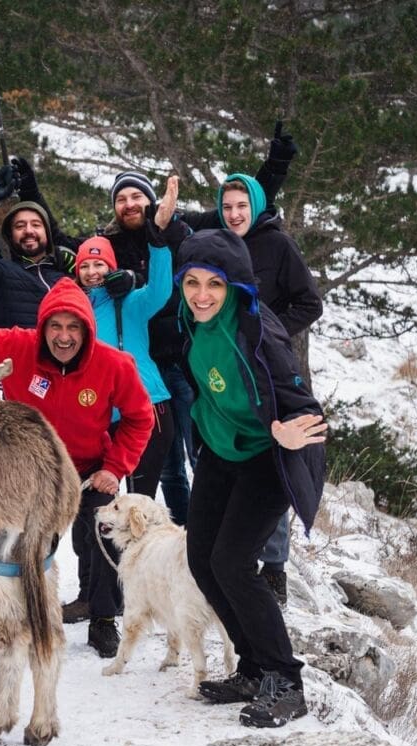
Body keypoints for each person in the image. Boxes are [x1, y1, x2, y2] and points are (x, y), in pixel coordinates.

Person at [0, 268, 153, 658]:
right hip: (31, 471)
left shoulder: (114, 364)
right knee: (28, 544)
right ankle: (27, 612)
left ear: (87, 330)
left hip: (87, 470)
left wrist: (114, 467)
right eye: (56, 326)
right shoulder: (19, 347)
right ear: (43, 326)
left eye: (73, 327)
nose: (64, 336)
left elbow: (140, 417)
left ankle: (103, 618)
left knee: (104, 536)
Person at [173, 228, 326, 729]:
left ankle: (286, 680)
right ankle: (254, 667)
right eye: (192, 283)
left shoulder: (259, 331)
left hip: (267, 455)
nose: (201, 295)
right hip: (220, 451)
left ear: (234, 285)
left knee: (233, 562)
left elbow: (307, 408)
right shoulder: (189, 321)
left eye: (214, 285)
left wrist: (289, 429)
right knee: (203, 560)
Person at [157, 122, 300, 530]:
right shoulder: (214, 234)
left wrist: (263, 333)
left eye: (243, 207)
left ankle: (272, 558)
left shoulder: (275, 244)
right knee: (216, 453)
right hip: (216, 362)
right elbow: (190, 223)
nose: (235, 214)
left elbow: (309, 302)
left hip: (263, 364)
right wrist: (163, 218)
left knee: (268, 450)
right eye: (227, 208)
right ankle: (218, 541)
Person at [60, 176, 188, 624]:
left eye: (101, 264)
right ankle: (92, 596)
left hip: (151, 410)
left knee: (139, 509)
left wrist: (158, 237)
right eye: (87, 265)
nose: (94, 272)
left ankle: (140, 594)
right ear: (78, 270)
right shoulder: (74, 313)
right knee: (97, 513)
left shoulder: (131, 302)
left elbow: (162, 291)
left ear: (112, 267)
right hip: (100, 420)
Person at [0, 163, 71, 329]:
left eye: (36, 224)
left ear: (47, 232)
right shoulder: (0, 272)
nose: (29, 230)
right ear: (10, 236)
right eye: (20, 226)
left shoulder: (67, 275)